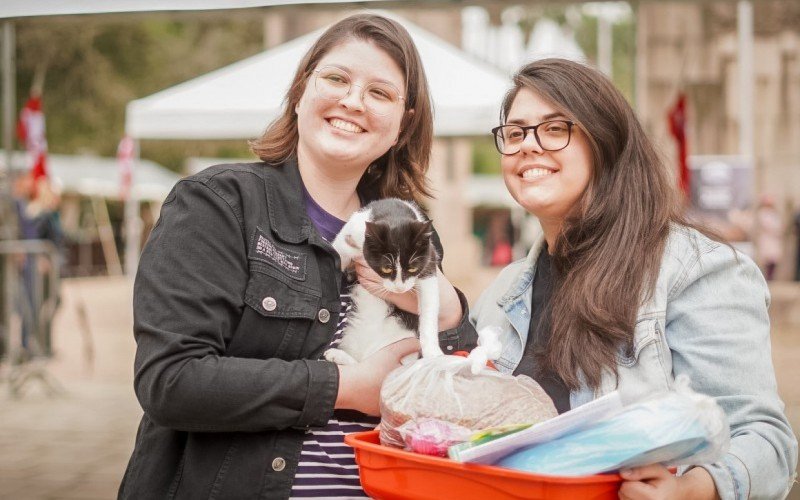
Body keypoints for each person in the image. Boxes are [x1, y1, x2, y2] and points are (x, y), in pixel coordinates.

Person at [118, 14, 474, 499]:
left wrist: (449, 310)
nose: (353, 101)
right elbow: (170, 381)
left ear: (402, 124)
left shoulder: (406, 227)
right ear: (301, 90)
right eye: (337, 79)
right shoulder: (218, 204)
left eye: (380, 93)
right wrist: (345, 386)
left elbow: (459, 394)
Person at [456, 59, 797, 499]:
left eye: (554, 128)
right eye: (516, 132)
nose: (528, 146)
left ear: (606, 142)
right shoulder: (502, 292)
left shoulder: (696, 269)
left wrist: (692, 490)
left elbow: (765, 439)